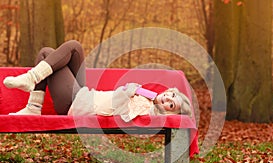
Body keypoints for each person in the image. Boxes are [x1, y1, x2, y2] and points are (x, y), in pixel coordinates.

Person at [3, 40, 192, 122]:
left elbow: (124, 101)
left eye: (170, 105)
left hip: (76, 104)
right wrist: (139, 91)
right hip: (86, 95)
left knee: (50, 52)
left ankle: (32, 86)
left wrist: (135, 91)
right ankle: (33, 102)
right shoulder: (149, 100)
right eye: (171, 95)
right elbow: (127, 92)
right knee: (66, 49)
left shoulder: (148, 111)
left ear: (170, 114)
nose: (167, 99)